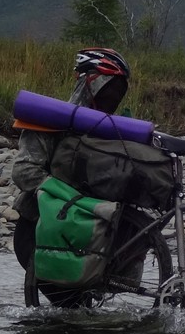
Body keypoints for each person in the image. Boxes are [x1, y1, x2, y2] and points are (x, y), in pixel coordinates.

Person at [10, 47, 130, 271]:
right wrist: (71, 198)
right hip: (39, 229)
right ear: (91, 84)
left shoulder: (110, 131)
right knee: (71, 305)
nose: (112, 98)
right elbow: (23, 172)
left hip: (85, 231)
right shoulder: (47, 121)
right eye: (108, 89)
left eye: (117, 91)